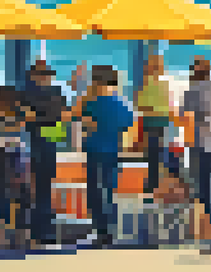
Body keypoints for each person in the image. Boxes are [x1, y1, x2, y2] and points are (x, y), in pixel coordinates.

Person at [74, 66, 134, 248]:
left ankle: (101, 231)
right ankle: (110, 232)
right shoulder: (122, 103)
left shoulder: (91, 103)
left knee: (95, 192)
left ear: (97, 82)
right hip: (113, 151)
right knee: (108, 191)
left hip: (94, 150)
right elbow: (127, 125)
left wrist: (85, 95)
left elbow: (76, 115)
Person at [20, 60, 68, 247]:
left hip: (34, 143)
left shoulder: (27, 95)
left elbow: (27, 119)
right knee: (44, 189)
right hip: (48, 143)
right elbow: (61, 121)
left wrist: (37, 120)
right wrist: (49, 121)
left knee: (37, 190)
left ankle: (37, 232)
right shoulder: (57, 94)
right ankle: (43, 231)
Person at [183, 57, 211, 244]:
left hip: (201, 145)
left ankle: (208, 227)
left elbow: (184, 117)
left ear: (195, 73)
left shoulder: (192, 91)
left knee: (202, 188)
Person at [0, 82, 28, 249]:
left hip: (2, 158)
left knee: (2, 196)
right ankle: (18, 234)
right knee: (17, 196)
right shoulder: (21, 116)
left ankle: (10, 234)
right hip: (17, 158)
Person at [136, 55, 172, 195]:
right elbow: (166, 106)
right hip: (162, 122)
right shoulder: (165, 84)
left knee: (152, 155)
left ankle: (152, 184)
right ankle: (158, 183)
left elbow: (141, 106)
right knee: (159, 154)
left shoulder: (147, 84)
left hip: (151, 122)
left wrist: (149, 109)